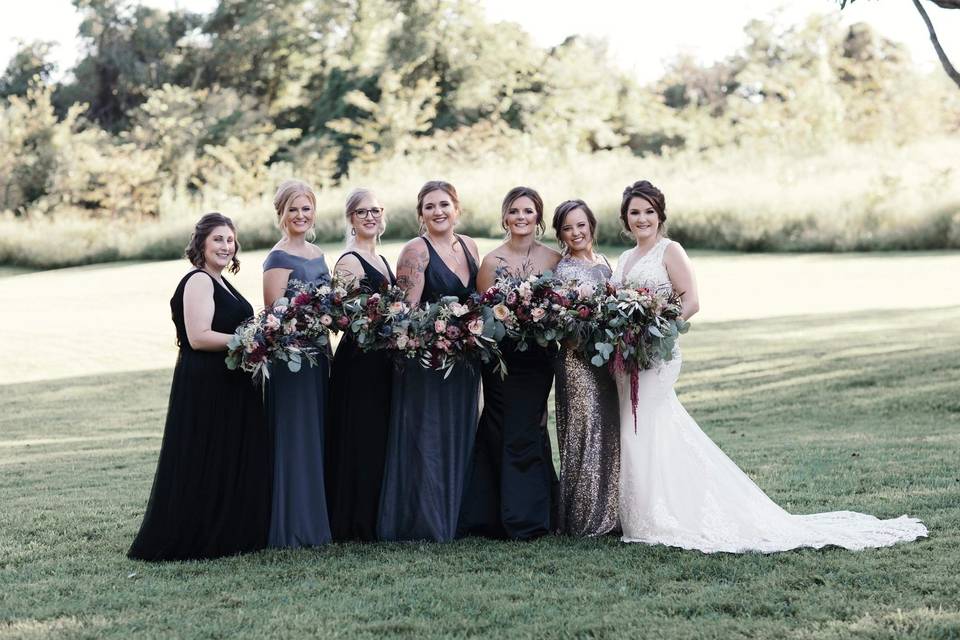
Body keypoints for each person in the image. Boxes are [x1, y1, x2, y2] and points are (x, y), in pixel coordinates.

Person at [613, 180, 928, 552]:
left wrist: (655, 331)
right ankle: (643, 510)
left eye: (649, 211)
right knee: (639, 429)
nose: (642, 218)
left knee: (641, 427)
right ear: (625, 218)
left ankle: (657, 516)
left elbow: (692, 301)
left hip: (658, 355)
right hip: (628, 359)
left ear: (660, 215)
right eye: (635, 212)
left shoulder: (671, 250)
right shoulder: (624, 259)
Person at [128, 213, 271, 561]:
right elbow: (199, 336)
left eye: (230, 240)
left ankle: (228, 530)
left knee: (226, 455)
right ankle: (198, 534)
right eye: (218, 239)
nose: (225, 246)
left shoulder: (220, 281)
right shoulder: (198, 281)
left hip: (229, 380)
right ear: (201, 244)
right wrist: (253, 338)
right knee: (205, 456)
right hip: (207, 381)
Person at [377, 180, 482, 542]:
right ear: (421, 214)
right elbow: (403, 316)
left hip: (465, 363)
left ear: (457, 208)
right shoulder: (415, 252)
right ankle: (424, 522)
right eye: (430, 206)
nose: (438, 212)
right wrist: (439, 335)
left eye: (444, 205)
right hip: (427, 363)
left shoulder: (469, 246)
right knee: (428, 439)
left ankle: (457, 516)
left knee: (460, 434)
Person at [458, 186, 561, 540]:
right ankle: (495, 515)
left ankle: (534, 512)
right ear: (505, 217)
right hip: (502, 361)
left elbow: (559, 311)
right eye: (515, 211)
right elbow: (485, 317)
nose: (521, 217)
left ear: (538, 218)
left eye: (528, 211)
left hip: (537, 360)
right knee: (501, 426)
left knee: (530, 425)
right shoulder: (492, 262)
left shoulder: (553, 259)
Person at [262, 180, 332, 548]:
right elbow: (275, 317)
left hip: (319, 357)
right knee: (296, 437)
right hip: (291, 359)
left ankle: (317, 521)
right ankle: (294, 527)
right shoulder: (277, 258)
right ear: (281, 215)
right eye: (293, 209)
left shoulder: (318, 253)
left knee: (316, 435)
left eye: (306, 209)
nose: (300, 216)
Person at [326, 188, 396, 542]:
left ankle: (376, 515)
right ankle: (355, 521)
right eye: (362, 212)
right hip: (359, 361)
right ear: (351, 218)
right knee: (361, 437)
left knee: (379, 436)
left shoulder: (382, 259)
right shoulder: (348, 262)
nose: (370, 216)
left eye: (375, 210)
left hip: (383, 359)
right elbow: (347, 318)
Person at [551, 199, 621, 537]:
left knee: (610, 432)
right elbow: (564, 328)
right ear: (560, 233)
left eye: (580, 224)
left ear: (591, 224)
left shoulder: (606, 262)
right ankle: (584, 518)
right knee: (586, 432)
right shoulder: (563, 271)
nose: (576, 232)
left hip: (607, 363)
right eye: (567, 227)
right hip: (577, 362)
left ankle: (611, 511)